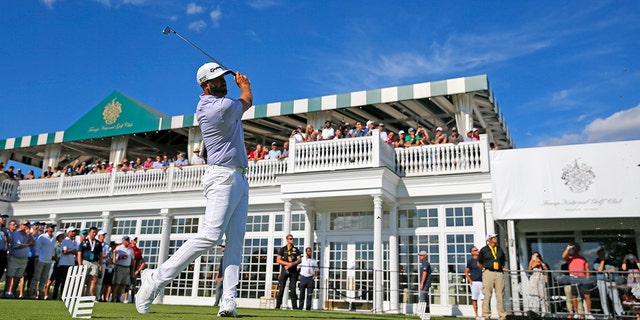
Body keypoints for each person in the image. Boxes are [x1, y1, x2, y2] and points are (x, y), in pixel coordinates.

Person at [136, 62, 252, 318]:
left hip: (240, 178)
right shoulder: (217, 107)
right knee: (211, 235)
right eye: (218, 80)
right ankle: (155, 277)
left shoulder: (220, 104)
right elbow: (247, 100)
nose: (223, 83)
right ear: (205, 85)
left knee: (235, 242)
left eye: (224, 78)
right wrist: (245, 85)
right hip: (222, 176)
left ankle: (229, 300)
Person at [478, 233, 508, 320]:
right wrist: (484, 270)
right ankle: (486, 315)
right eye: (494, 237)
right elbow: (479, 262)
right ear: (489, 239)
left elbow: (502, 260)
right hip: (488, 272)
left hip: (499, 273)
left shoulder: (499, 249)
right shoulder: (484, 250)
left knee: (500, 295)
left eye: (496, 237)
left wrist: (501, 267)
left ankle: (502, 316)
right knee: (487, 294)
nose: (496, 239)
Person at [562, 242, 594, 319]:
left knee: (587, 295)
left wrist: (587, 278)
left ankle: (589, 313)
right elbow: (563, 256)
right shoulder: (570, 257)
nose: (575, 250)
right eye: (574, 249)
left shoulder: (582, 258)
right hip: (573, 277)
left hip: (582, 278)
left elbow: (587, 269)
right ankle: (576, 313)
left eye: (576, 249)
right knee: (574, 296)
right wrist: (568, 248)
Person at [5, 220, 35, 298]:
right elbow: (17, 246)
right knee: (10, 275)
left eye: (28, 225)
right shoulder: (16, 234)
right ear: (21, 225)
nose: (26, 227)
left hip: (24, 259)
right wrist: (28, 244)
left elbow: (34, 243)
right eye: (25, 225)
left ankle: (13, 292)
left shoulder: (28, 235)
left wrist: (29, 235)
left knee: (18, 276)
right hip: (14, 257)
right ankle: (7, 291)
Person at [28, 223, 57, 299]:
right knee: (36, 277)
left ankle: (40, 293)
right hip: (40, 259)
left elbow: (52, 249)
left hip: (48, 261)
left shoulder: (54, 238)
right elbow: (37, 247)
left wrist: (52, 257)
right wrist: (37, 256)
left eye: (53, 227)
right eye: (51, 227)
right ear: (47, 228)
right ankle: (31, 292)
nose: (52, 229)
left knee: (44, 278)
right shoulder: (42, 237)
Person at [594, 249, 623, 317]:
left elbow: (613, 269)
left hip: (611, 281)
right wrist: (602, 261)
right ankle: (607, 315)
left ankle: (620, 313)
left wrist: (606, 270)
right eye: (601, 254)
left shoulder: (609, 261)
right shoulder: (596, 262)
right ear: (598, 255)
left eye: (603, 254)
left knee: (616, 298)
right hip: (602, 281)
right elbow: (599, 269)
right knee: (604, 299)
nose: (602, 255)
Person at [275, 234, 302, 309]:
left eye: (292, 239)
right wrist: (287, 264)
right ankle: (278, 306)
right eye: (290, 239)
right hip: (285, 270)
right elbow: (278, 260)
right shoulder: (282, 249)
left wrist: (292, 264)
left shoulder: (296, 249)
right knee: (281, 289)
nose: (291, 240)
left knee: (293, 289)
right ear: (287, 240)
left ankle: (295, 307)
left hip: (293, 271)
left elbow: (299, 260)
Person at [78, 227, 103, 297]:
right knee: (83, 279)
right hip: (85, 261)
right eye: (93, 232)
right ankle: (81, 295)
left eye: (95, 232)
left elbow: (100, 254)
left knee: (94, 279)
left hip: (94, 262)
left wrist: (100, 264)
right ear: (89, 233)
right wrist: (80, 264)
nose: (94, 234)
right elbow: (79, 253)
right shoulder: (84, 241)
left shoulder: (98, 243)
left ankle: (90, 295)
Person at [112, 236, 134, 303]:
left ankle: (118, 298)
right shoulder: (119, 248)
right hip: (120, 266)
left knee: (123, 284)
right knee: (117, 284)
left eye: (128, 241)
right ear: (123, 241)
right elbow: (115, 260)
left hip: (127, 267)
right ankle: (114, 298)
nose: (127, 242)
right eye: (126, 240)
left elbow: (132, 260)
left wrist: (132, 270)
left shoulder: (131, 250)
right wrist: (121, 257)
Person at [465, 246, 483, 320]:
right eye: (475, 250)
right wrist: (470, 281)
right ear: (472, 253)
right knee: (474, 299)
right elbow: (466, 272)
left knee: (483, 299)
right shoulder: (470, 261)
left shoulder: (481, 260)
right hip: (474, 282)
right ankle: (476, 315)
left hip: (482, 281)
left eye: (477, 249)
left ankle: (483, 315)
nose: (477, 251)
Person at [418, 250, 433, 319]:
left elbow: (425, 273)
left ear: (425, 256)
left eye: (421, 255)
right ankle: (426, 315)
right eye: (420, 255)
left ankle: (422, 315)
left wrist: (422, 283)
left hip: (425, 284)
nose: (420, 256)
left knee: (422, 299)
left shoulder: (425, 263)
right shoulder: (423, 263)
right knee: (425, 299)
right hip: (425, 283)